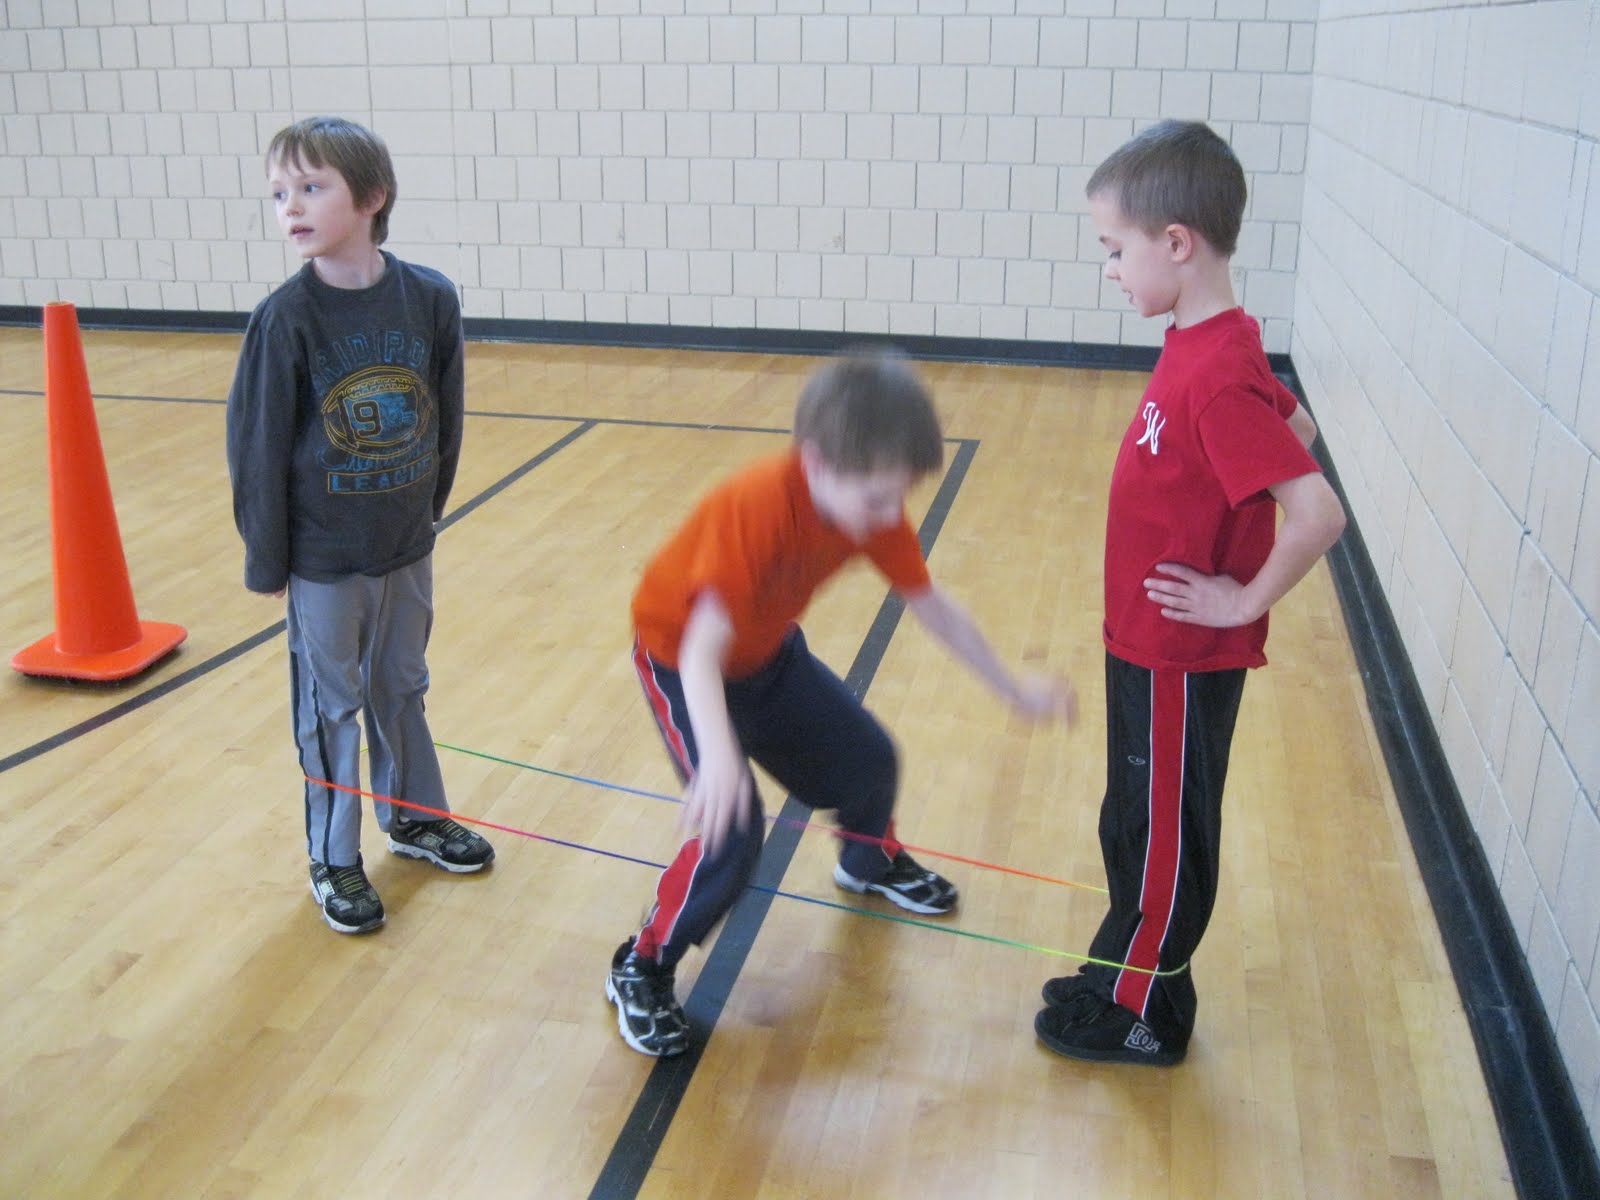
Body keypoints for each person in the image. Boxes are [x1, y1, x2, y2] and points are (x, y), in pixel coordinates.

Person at [607, 352, 1077, 1057]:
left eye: (899, 498)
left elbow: (932, 605)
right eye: (879, 499)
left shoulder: (869, 505)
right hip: (683, 663)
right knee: (733, 829)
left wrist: (1013, 687)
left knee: (869, 761)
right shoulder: (756, 506)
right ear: (818, 464)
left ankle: (867, 862)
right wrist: (720, 761)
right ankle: (642, 964)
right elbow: (702, 651)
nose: (890, 517)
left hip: (765, 656)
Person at [1034, 120, 1347, 1065]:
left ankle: (1146, 1015)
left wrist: (1241, 601)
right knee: (1134, 823)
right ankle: (1123, 971)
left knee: (1163, 839)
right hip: (1143, 643)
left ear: (1176, 242)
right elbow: (1299, 427)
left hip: (1177, 655)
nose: (1109, 270)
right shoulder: (1211, 340)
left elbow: (1318, 512)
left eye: (1114, 249)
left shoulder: (1214, 375)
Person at [226, 116, 493, 936]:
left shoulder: (429, 297)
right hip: (323, 558)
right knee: (331, 708)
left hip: (405, 545)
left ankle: (414, 817)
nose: (291, 207)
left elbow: (445, 415)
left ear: (372, 197)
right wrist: (269, 559)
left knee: (401, 686)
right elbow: (256, 446)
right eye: (280, 192)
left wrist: (427, 513)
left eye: (311, 188)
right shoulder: (286, 320)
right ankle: (334, 857)